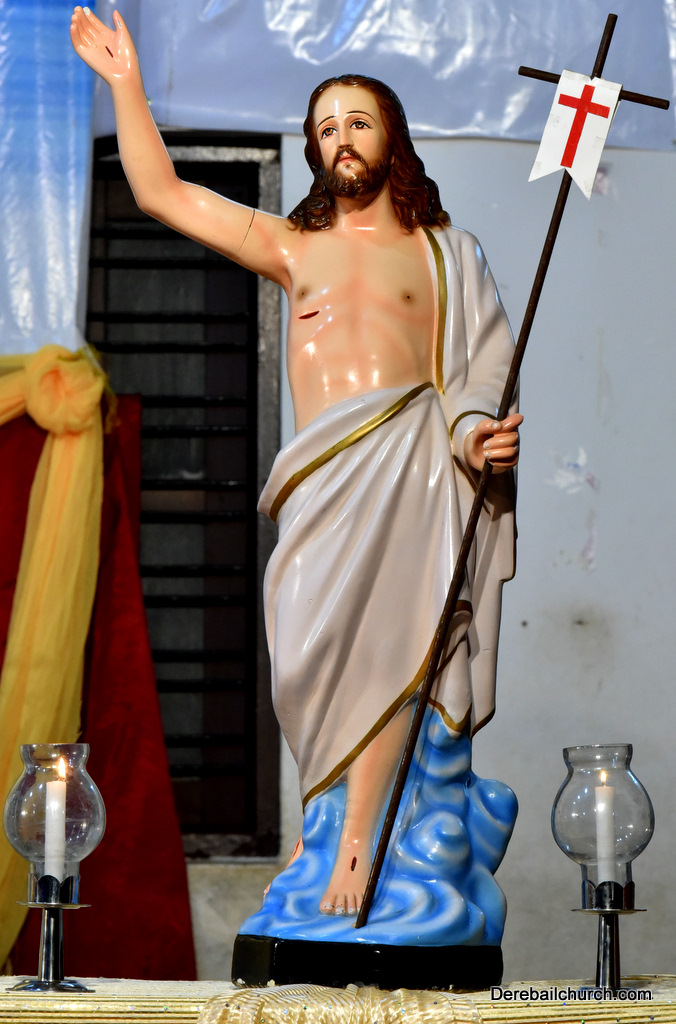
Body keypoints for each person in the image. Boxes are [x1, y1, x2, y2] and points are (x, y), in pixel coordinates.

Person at [71, 7, 522, 920]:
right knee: (308, 661)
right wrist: (125, 85)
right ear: (314, 151)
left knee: (398, 649)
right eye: (326, 128)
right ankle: (326, 824)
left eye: (359, 122)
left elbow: (479, 371)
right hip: (321, 488)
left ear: (392, 137)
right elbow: (163, 194)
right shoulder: (294, 247)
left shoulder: (445, 255)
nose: (341, 138)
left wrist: (476, 435)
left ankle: (357, 842)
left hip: (412, 473)